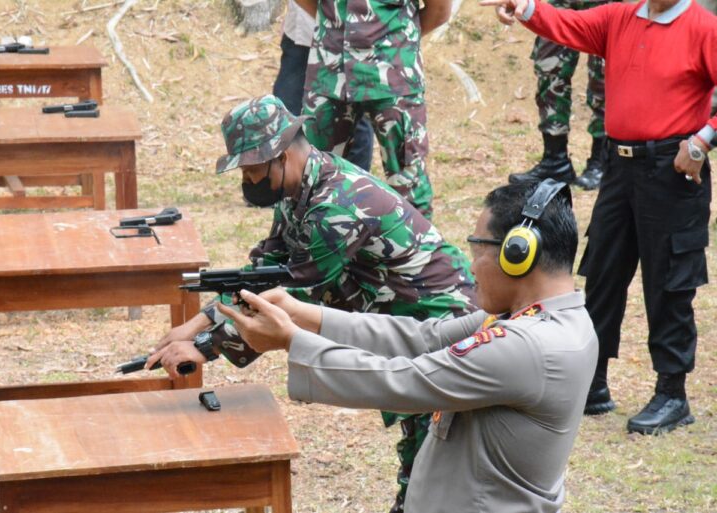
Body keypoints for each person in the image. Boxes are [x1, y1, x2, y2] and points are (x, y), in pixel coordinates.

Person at [148, 94, 477, 512]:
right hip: (394, 315)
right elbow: (266, 271)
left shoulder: (335, 205)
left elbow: (291, 298)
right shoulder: (297, 191)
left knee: (431, 440)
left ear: (281, 156)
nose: (247, 182)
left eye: (251, 170)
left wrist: (204, 347)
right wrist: (194, 324)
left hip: (436, 318)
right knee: (420, 439)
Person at [189, 179, 597, 513]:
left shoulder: (528, 346)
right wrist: (304, 313)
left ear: (518, 254)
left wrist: (290, 341)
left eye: (478, 250)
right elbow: (424, 339)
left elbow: (402, 381)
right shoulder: (543, 320)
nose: (471, 266)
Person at [481, 0, 717, 434]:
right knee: (603, 272)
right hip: (619, 167)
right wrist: (524, 6)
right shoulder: (620, 17)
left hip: (671, 170)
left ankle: (672, 392)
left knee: (669, 280)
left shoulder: (703, 28)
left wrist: (702, 140)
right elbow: (567, 24)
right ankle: (593, 382)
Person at [294, 0, 454, 219]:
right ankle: (317, 249)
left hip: (393, 76)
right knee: (313, 180)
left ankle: (416, 252)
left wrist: (396, 42)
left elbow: (440, 10)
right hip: (329, 75)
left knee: (408, 184)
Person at [508, 0, 610, 190]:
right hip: (560, 4)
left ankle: (601, 161)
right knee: (549, 71)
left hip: (607, 5)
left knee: (605, 80)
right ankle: (555, 160)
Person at [273, 0, 375, 171]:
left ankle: (355, 191)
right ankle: (288, 189)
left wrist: (334, 23)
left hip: (349, 43)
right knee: (285, 116)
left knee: (355, 122)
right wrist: (328, 21)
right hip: (302, 38)